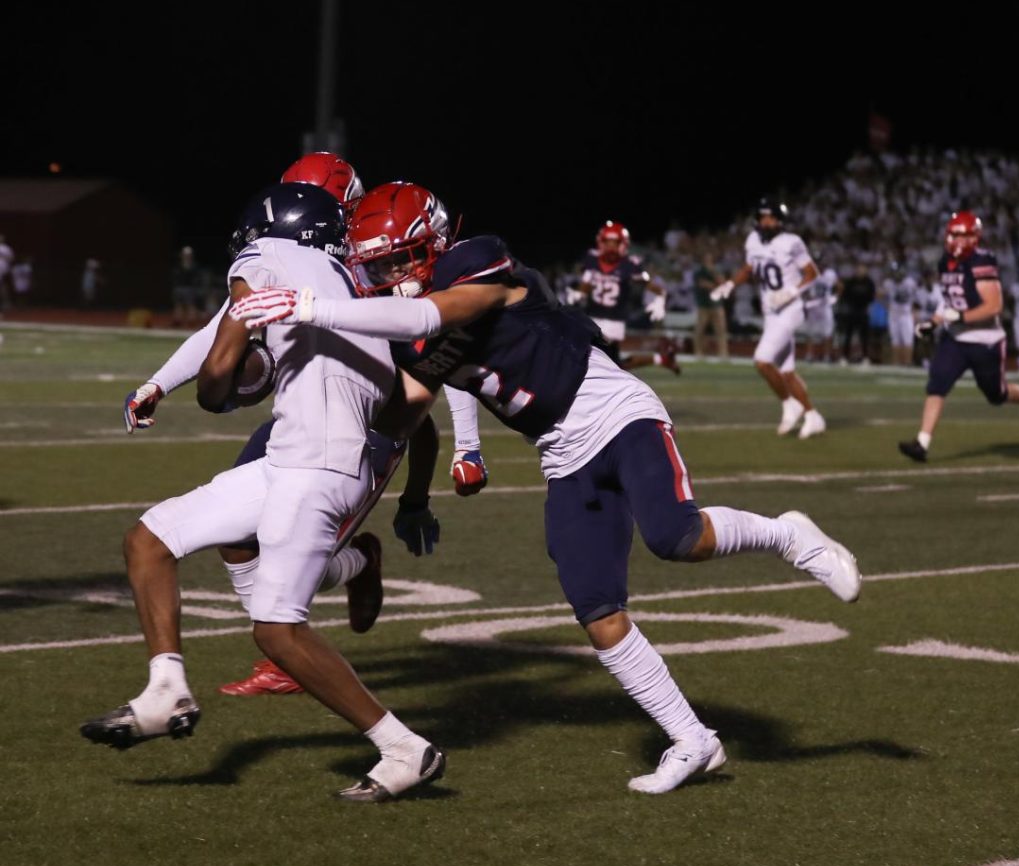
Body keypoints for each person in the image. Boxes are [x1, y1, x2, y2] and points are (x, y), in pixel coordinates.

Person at [231, 181, 862, 795]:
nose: (385, 274)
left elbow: (441, 311)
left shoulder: (474, 262)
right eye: (376, 265)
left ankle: (788, 535)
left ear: (430, 243)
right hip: (561, 452)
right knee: (597, 610)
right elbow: (407, 408)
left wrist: (316, 307)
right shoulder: (410, 329)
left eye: (394, 259)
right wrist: (326, 423)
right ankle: (691, 738)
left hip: (616, 411)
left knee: (676, 536)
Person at [81, 183, 447, 803]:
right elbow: (403, 398)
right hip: (297, 455)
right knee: (150, 539)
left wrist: (215, 385)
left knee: (277, 630)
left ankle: (405, 748)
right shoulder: (354, 283)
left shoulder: (264, 260)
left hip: (319, 466)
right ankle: (166, 688)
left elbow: (226, 352)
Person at [122, 153, 469, 697]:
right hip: (307, 415)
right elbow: (225, 322)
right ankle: (309, 615)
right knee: (237, 541)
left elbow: (442, 365)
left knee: (293, 561)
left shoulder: (383, 252)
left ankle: (317, 615)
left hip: (372, 429)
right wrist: (160, 382)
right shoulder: (314, 256)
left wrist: (457, 456)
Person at [898, 211, 1019, 463]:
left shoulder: (982, 262)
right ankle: (921, 444)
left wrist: (960, 317)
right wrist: (933, 323)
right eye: (954, 234)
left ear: (975, 237)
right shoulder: (945, 262)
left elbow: (994, 306)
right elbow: (948, 301)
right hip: (956, 339)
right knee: (937, 383)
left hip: (985, 340)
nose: (957, 241)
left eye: (963, 235)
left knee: (997, 395)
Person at [711, 199, 827, 438]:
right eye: (763, 218)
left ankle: (790, 404)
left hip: (791, 309)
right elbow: (749, 267)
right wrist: (731, 283)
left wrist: (792, 291)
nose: (767, 222)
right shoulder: (752, 240)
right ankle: (813, 416)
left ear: (779, 221)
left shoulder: (791, 242)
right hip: (770, 312)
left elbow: (812, 273)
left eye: (771, 218)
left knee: (762, 361)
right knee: (786, 372)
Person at [573, 221, 678, 374]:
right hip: (592, 319)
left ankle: (661, 359)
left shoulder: (629, 264)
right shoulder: (592, 259)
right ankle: (662, 359)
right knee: (613, 364)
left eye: (614, 243)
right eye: (607, 242)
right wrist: (577, 295)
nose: (610, 247)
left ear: (623, 244)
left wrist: (661, 298)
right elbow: (585, 286)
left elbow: (651, 285)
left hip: (612, 323)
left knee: (599, 364)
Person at [691, 250, 728, 361]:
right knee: (700, 329)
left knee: (721, 329)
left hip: (717, 304)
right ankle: (698, 352)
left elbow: (722, 282)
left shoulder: (716, 270)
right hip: (704, 304)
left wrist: (713, 273)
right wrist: (715, 285)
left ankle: (723, 353)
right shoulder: (699, 272)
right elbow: (703, 284)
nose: (708, 261)